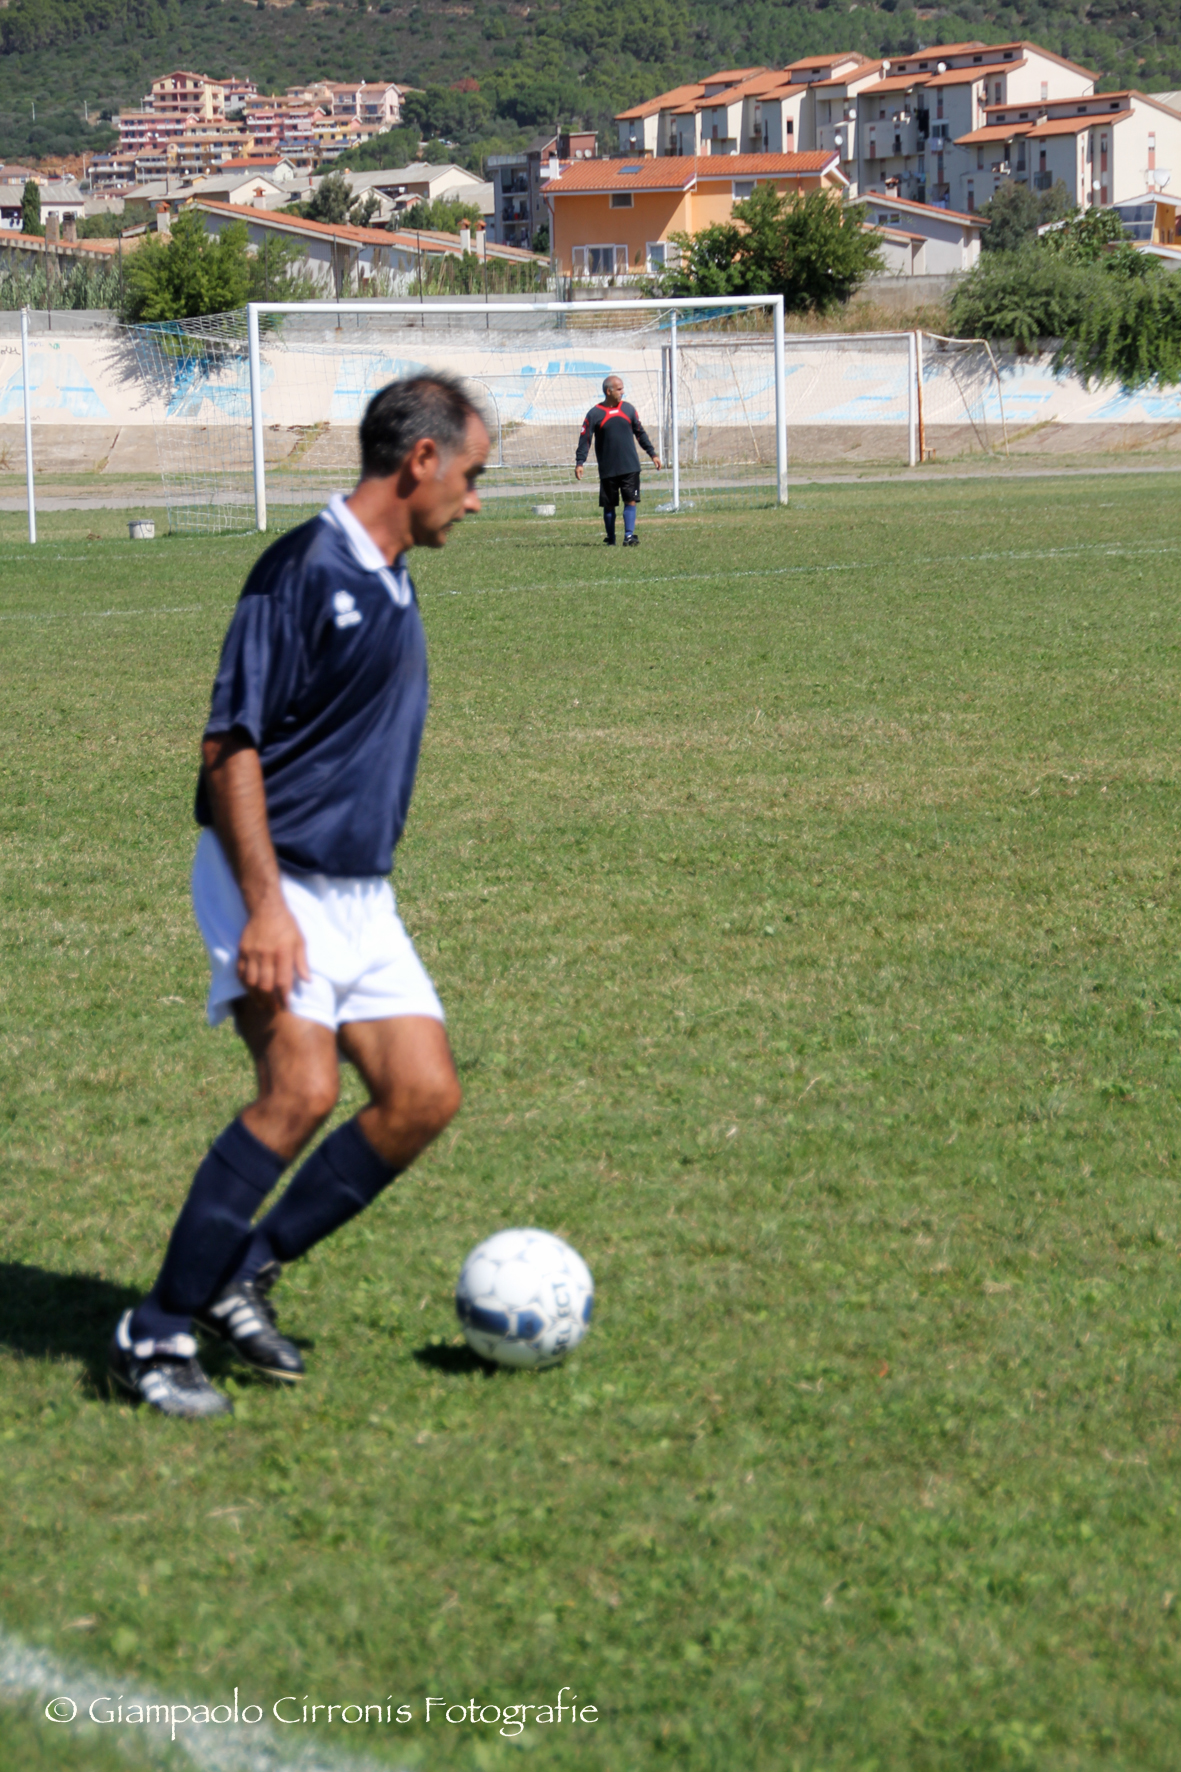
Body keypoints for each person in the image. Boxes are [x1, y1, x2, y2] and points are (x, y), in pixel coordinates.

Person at [109, 374, 490, 1419]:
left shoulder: (388, 571)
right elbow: (229, 745)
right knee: (300, 1091)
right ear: (419, 460)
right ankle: (156, 1329)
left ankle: (242, 1268)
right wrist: (268, 907)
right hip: (271, 876)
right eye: (471, 473)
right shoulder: (302, 569)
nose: (474, 497)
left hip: (358, 890)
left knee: (421, 1096)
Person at [574, 374, 661, 548]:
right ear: (609, 391)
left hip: (630, 466)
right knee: (609, 504)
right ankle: (611, 538)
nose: (623, 392)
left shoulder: (628, 409)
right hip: (608, 468)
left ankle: (629, 536)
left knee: (630, 500)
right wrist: (580, 462)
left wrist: (652, 454)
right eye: (619, 389)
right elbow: (585, 439)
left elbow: (640, 433)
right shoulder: (594, 414)